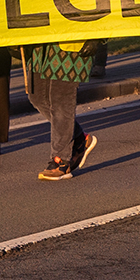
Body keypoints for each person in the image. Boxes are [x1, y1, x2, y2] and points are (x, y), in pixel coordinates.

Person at [24, 41, 101, 180]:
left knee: (61, 101)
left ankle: (61, 159)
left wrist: (97, 39)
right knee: (37, 97)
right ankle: (79, 138)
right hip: (40, 47)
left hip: (71, 45)